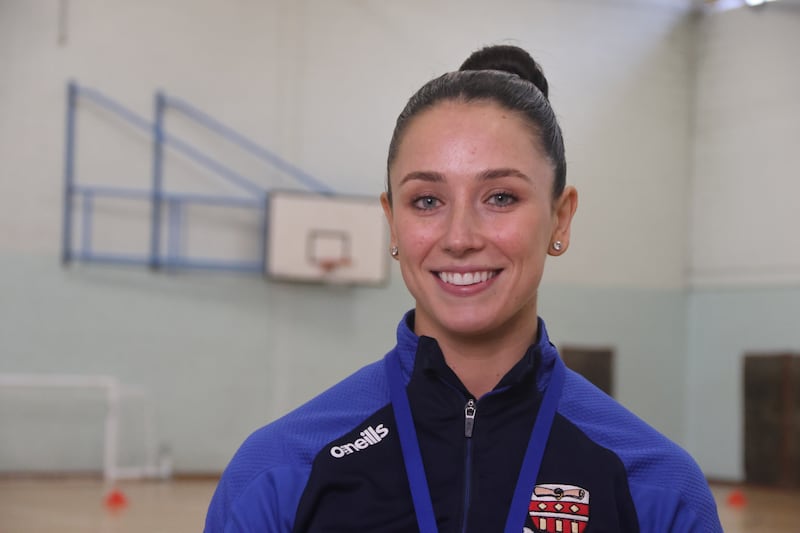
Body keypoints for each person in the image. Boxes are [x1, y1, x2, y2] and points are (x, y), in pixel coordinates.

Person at [205, 44, 722, 532]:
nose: (459, 238)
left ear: (560, 219)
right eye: (427, 201)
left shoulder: (655, 485)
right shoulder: (279, 471)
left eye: (500, 197)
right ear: (392, 221)